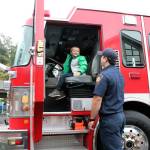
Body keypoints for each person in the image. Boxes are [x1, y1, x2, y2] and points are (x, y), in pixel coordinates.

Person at [88, 48, 126, 150]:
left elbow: (97, 99)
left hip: (110, 119)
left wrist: (92, 119)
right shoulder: (119, 74)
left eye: (102, 57)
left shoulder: (104, 76)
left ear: (105, 59)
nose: (100, 59)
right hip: (120, 117)